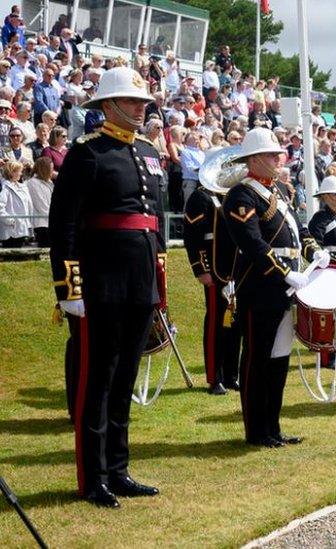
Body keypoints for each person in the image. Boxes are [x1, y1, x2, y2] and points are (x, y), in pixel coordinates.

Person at [48, 67, 165, 508]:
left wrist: (159, 286)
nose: (141, 107)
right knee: (96, 382)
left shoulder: (150, 152)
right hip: (100, 284)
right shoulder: (87, 152)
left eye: (143, 102)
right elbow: (64, 226)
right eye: (133, 101)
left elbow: (154, 226)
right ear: (109, 106)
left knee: (124, 382)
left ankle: (118, 469)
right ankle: (91, 477)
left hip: (140, 284)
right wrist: (69, 287)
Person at [221, 127, 322, 448]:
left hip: (284, 290)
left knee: (278, 359)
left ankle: (273, 427)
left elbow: (298, 230)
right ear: (253, 159)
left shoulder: (278, 191)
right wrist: (285, 274)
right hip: (261, 287)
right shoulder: (242, 195)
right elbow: (252, 242)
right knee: (256, 359)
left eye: (278, 154)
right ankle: (256, 430)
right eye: (271, 155)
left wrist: (312, 250)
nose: (278, 159)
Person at [183, 163, 242, 395]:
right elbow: (192, 237)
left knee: (234, 324)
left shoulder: (230, 196)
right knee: (217, 323)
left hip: (234, 269)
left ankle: (231, 375)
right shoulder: (200, 198)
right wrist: (200, 269)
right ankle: (213, 377)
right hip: (214, 269)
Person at [307, 175, 336, 369]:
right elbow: (315, 246)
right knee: (328, 316)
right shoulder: (319, 218)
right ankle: (327, 358)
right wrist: (331, 263)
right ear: (325, 196)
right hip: (328, 270)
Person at [0, 160, 31, 247]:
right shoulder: (4, 188)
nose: (21, 174)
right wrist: (10, 221)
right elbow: (0, 207)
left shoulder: (22, 186)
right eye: (19, 171)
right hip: (10, 229)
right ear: (12, 172)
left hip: (21, 228)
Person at [27, 156, 54, 246]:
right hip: (42, 224)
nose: (52, 171)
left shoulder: (49, 182)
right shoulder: (32, 183)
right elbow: (41, 205)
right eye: (51, 169)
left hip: (50, 222)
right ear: (44, 169)